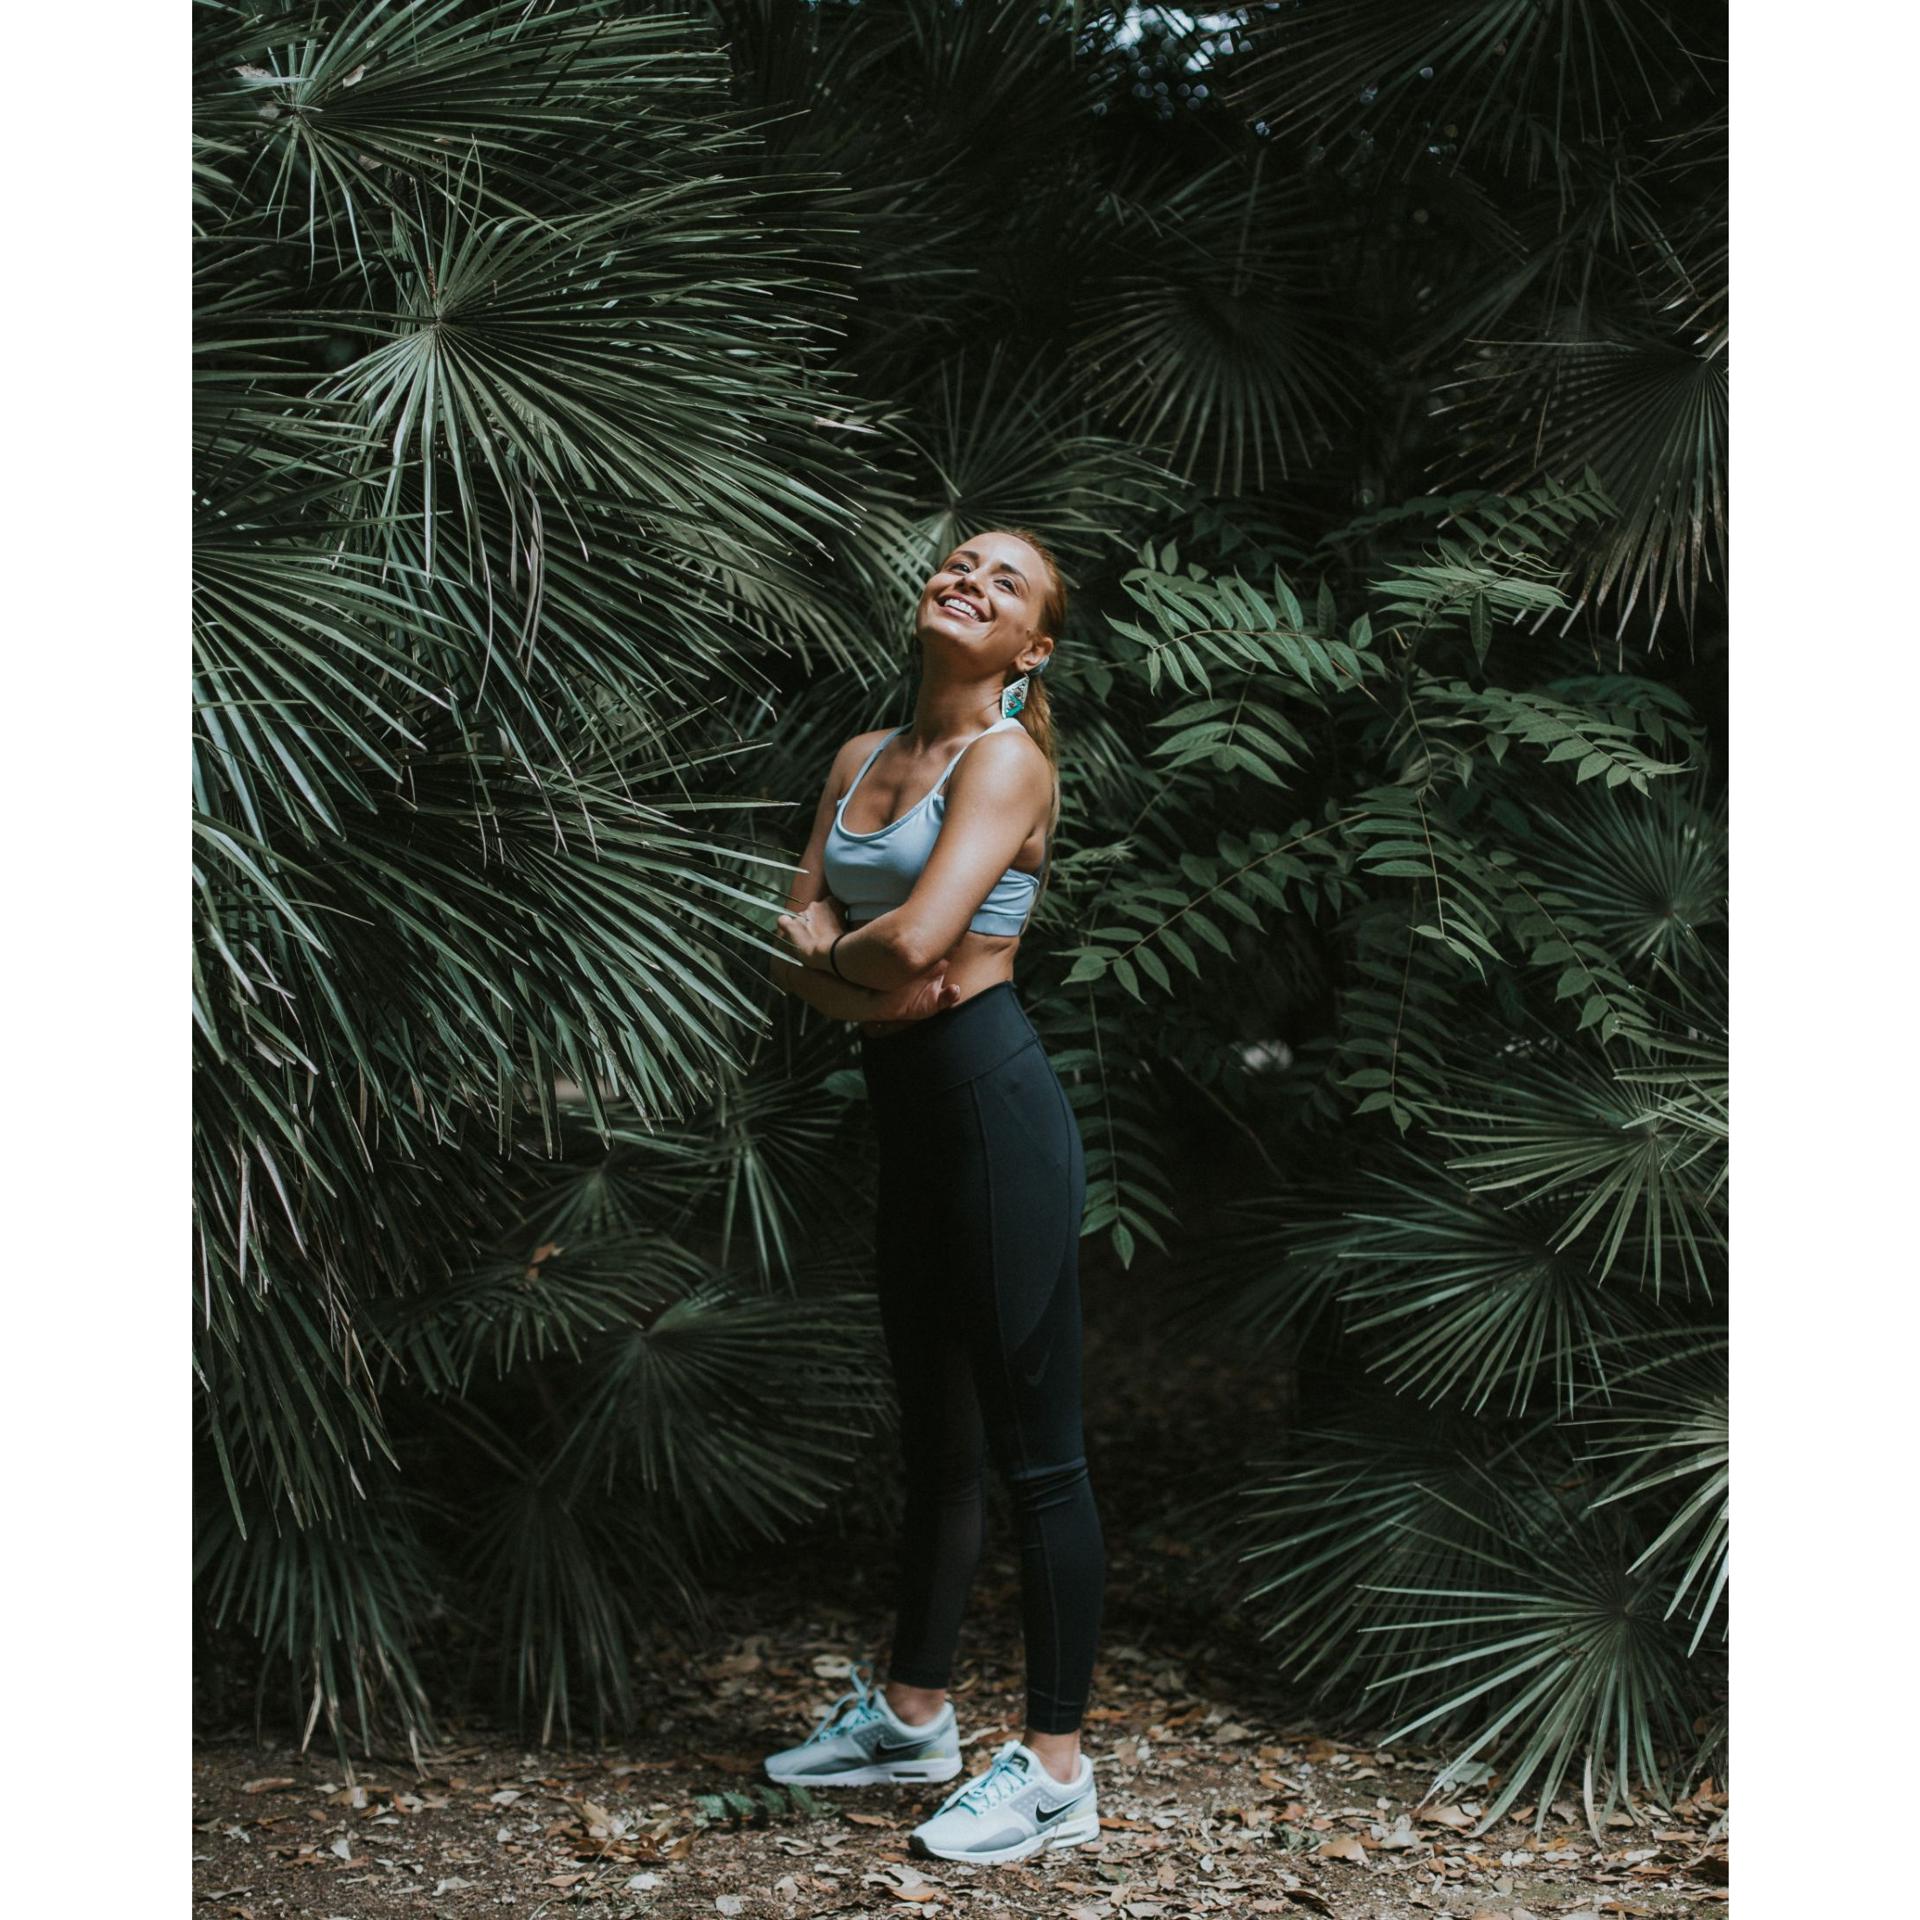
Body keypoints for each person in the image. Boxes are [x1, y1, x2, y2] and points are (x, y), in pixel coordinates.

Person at [762, 529, 1105, 1866]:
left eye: (1005, 582)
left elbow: (909, 941)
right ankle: (914, 1718)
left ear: (1032, 652)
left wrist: (845, 958)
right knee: (938, 1438)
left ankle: (1059, 1771)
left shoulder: (1006, 762)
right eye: (959, 562)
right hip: (905, 1116)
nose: (970, 579)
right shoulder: (861, 758)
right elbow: (804, 944)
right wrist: (866, 977)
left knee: (1041, 1454)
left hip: (991, 1116)